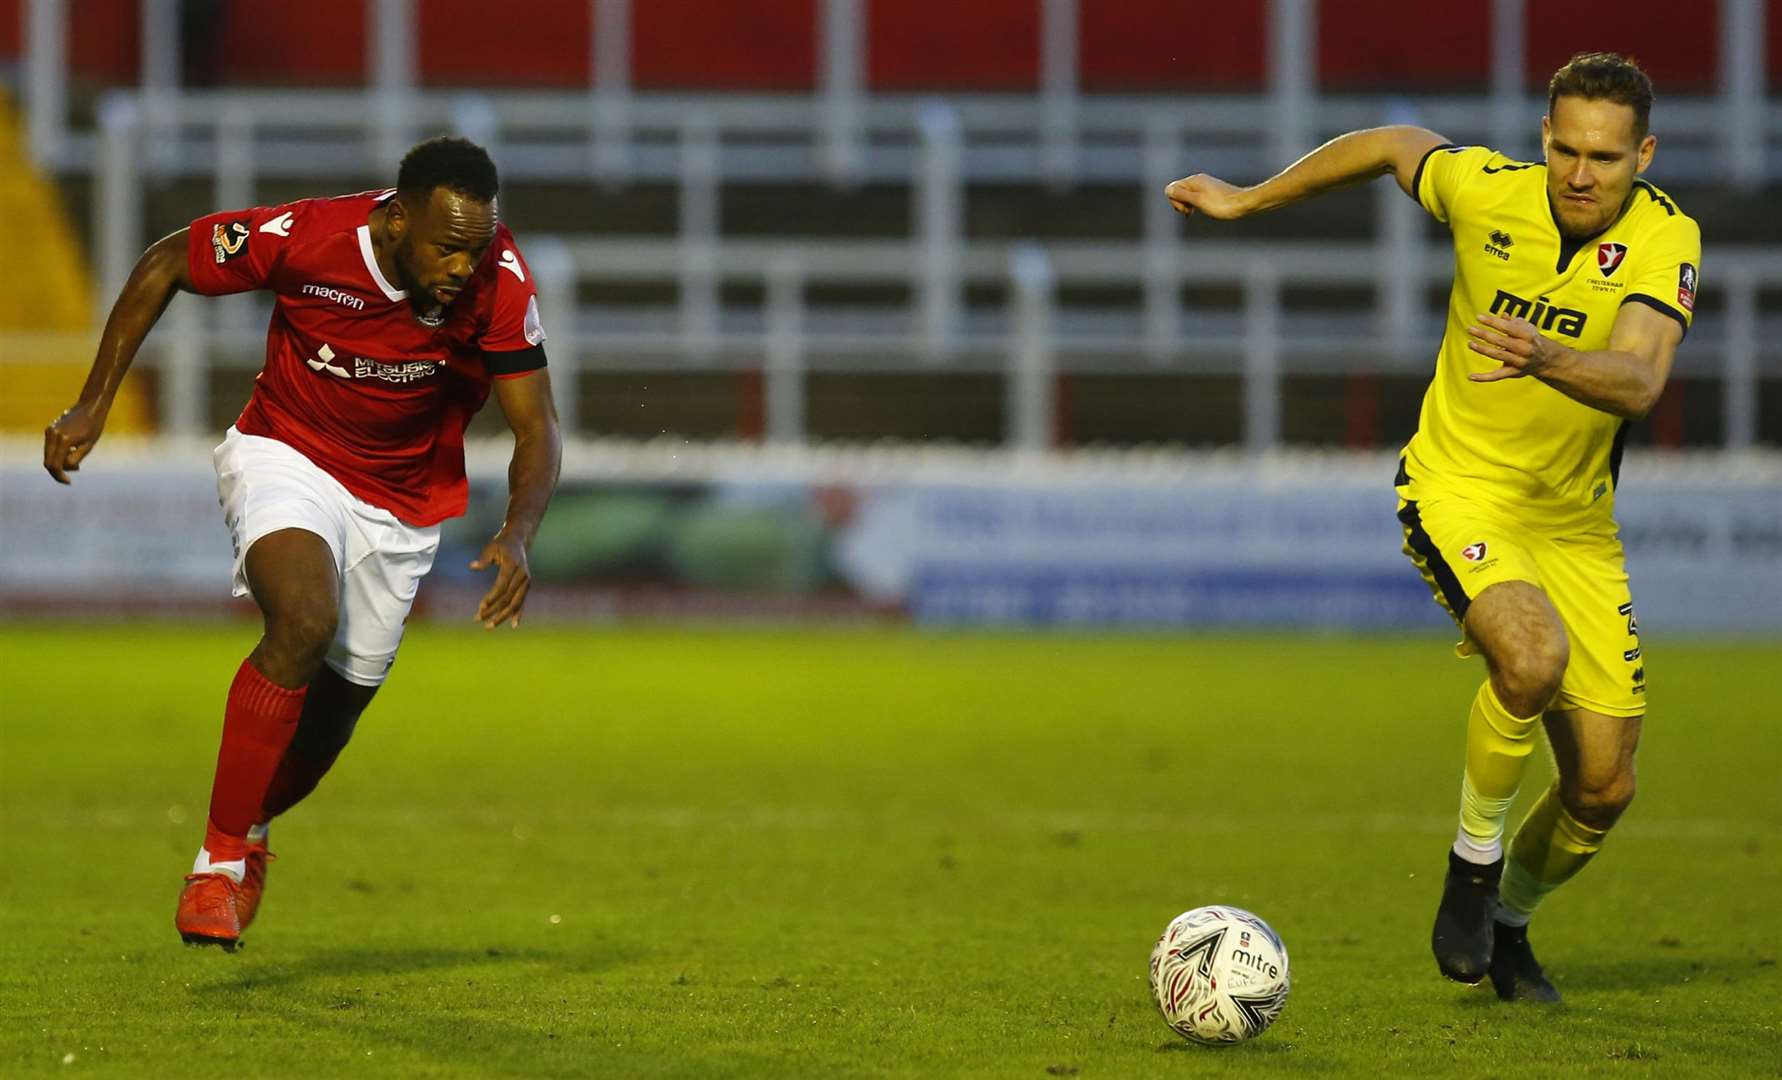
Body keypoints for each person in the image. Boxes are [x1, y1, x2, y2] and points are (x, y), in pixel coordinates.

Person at [1165, 53, 1699, 1002]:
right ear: (1544, 139)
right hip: (1459, 487)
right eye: (1567, 150)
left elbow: (1641, 379)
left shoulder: (1666, 240)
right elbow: (1386, 144)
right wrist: (1249, 201)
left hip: (1575, 527)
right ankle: (1471, 866)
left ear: (1643, 155)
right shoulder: (1489, 189)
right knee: (1530, 660)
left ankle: (1510, 928)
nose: (1581, 174)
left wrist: (1542, 352)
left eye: (1606, 158)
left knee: (1604, 788)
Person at [43, 136, 563, 951]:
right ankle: (214, 868)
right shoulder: (309, 236)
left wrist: (519, 532)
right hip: (287, 453)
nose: (466, 266)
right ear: (397, 222)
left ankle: (247, 831)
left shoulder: (501, 279)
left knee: (324, 735)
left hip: (402, 505)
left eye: (478, 246)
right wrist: (91, 404)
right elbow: (166, 261)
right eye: (449, 248)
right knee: (303, 621)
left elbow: (538, 427)